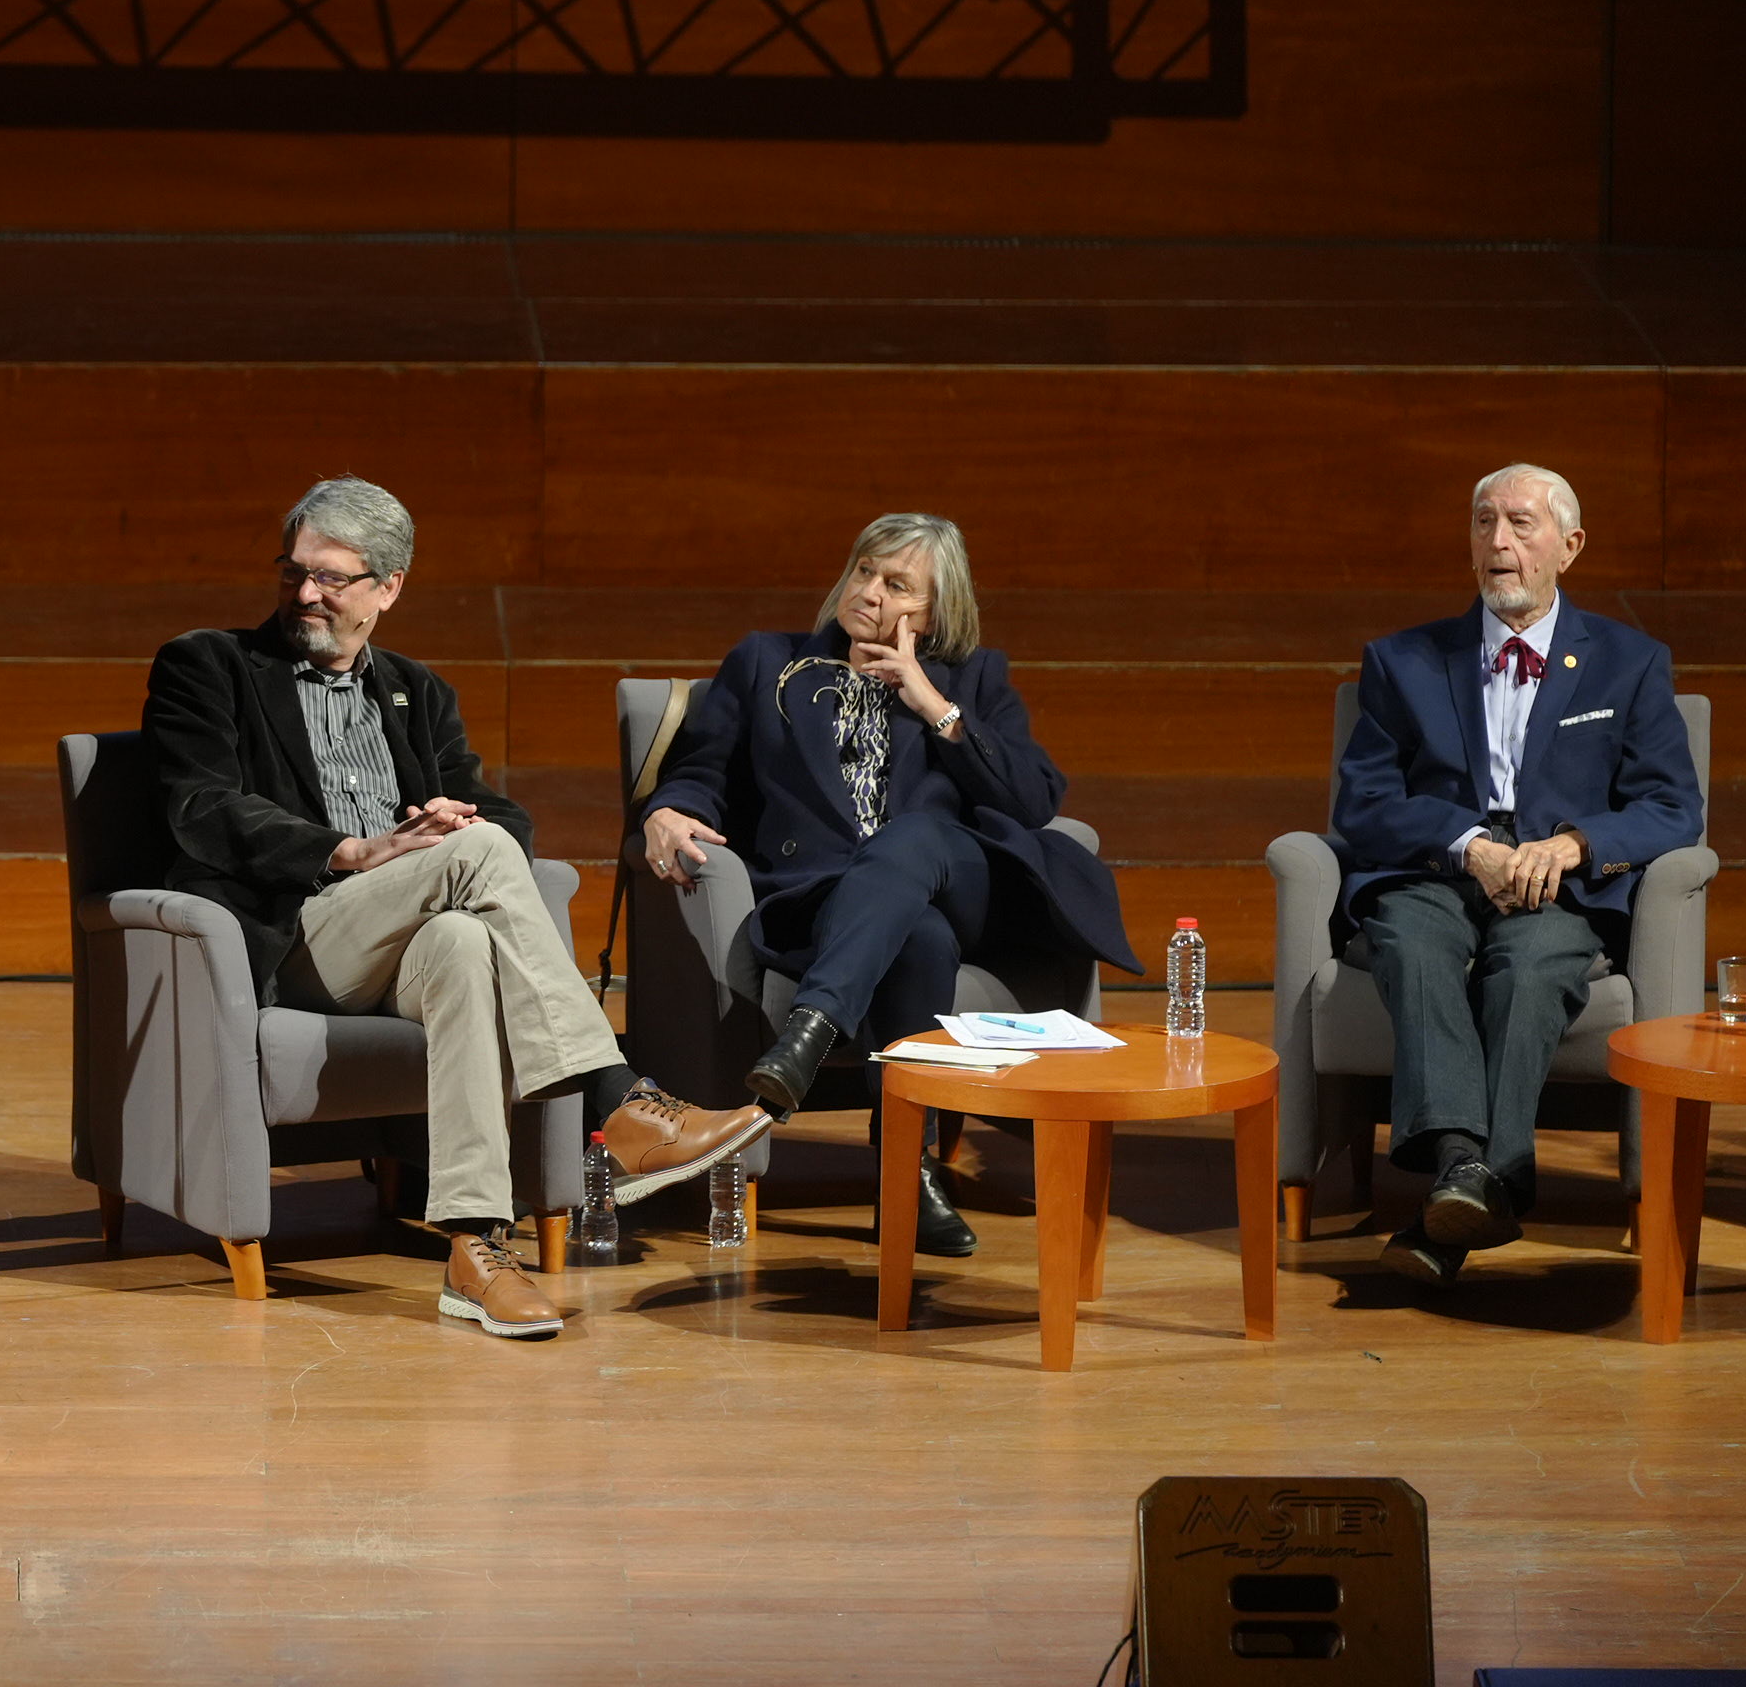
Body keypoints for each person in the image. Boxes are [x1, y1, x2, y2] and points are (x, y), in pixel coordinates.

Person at [147, 477, 772, 1341]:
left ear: (388, 587)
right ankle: (619, 1100)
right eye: (293, 572)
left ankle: (475, 1250)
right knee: (475, 860)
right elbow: (201, 806)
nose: (305, 593)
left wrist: (451, 821)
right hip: (298, 935)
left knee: (460, 939)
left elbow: (499, 815)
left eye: (331, 578)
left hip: (403, 941)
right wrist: (354, 850)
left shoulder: (417, 691)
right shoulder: (209, 666)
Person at [637, 513, 1134, 1259]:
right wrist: (669, 810)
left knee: (915, 836)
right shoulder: (766, 661)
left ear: (935, 611)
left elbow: (1034, 798)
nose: (869, 591)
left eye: (897, 584)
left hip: (961, 888)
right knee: (915, 939)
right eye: (864, 570)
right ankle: (907, 1172)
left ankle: (808, 1032)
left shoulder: (973, 678)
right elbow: (703, 768)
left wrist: (932, 704)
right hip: (827, 900)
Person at [1331, 462, 1703, 1286]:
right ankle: (1474, 1173)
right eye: (1483, 522)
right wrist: (1469, 844)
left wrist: (1574, 846)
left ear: (1569, 546)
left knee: (1529, 970)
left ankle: (1459, 1192)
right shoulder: (1402, 660)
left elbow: (1673, 808)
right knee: (1414, 947)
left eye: (1520, 524)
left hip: (1557, 877)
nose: (1498, 541)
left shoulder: (1629, 662)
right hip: (1436, 865)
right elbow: (1363, 803)